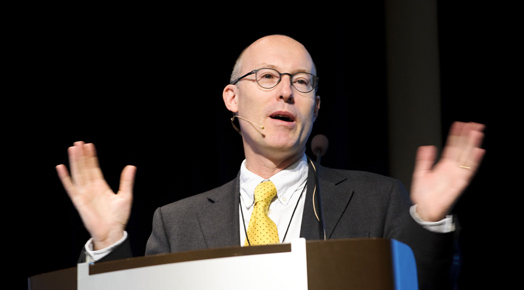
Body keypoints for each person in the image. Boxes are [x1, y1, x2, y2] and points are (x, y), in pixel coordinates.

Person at [56, 35, 485, 289]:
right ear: (232, 98)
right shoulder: (177, 222)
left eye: (301, 82)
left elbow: (423, 286)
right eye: (267, 77)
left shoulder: (376, 199)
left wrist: (428, 221)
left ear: (315, 107)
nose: (285, 92)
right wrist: (109, 244)